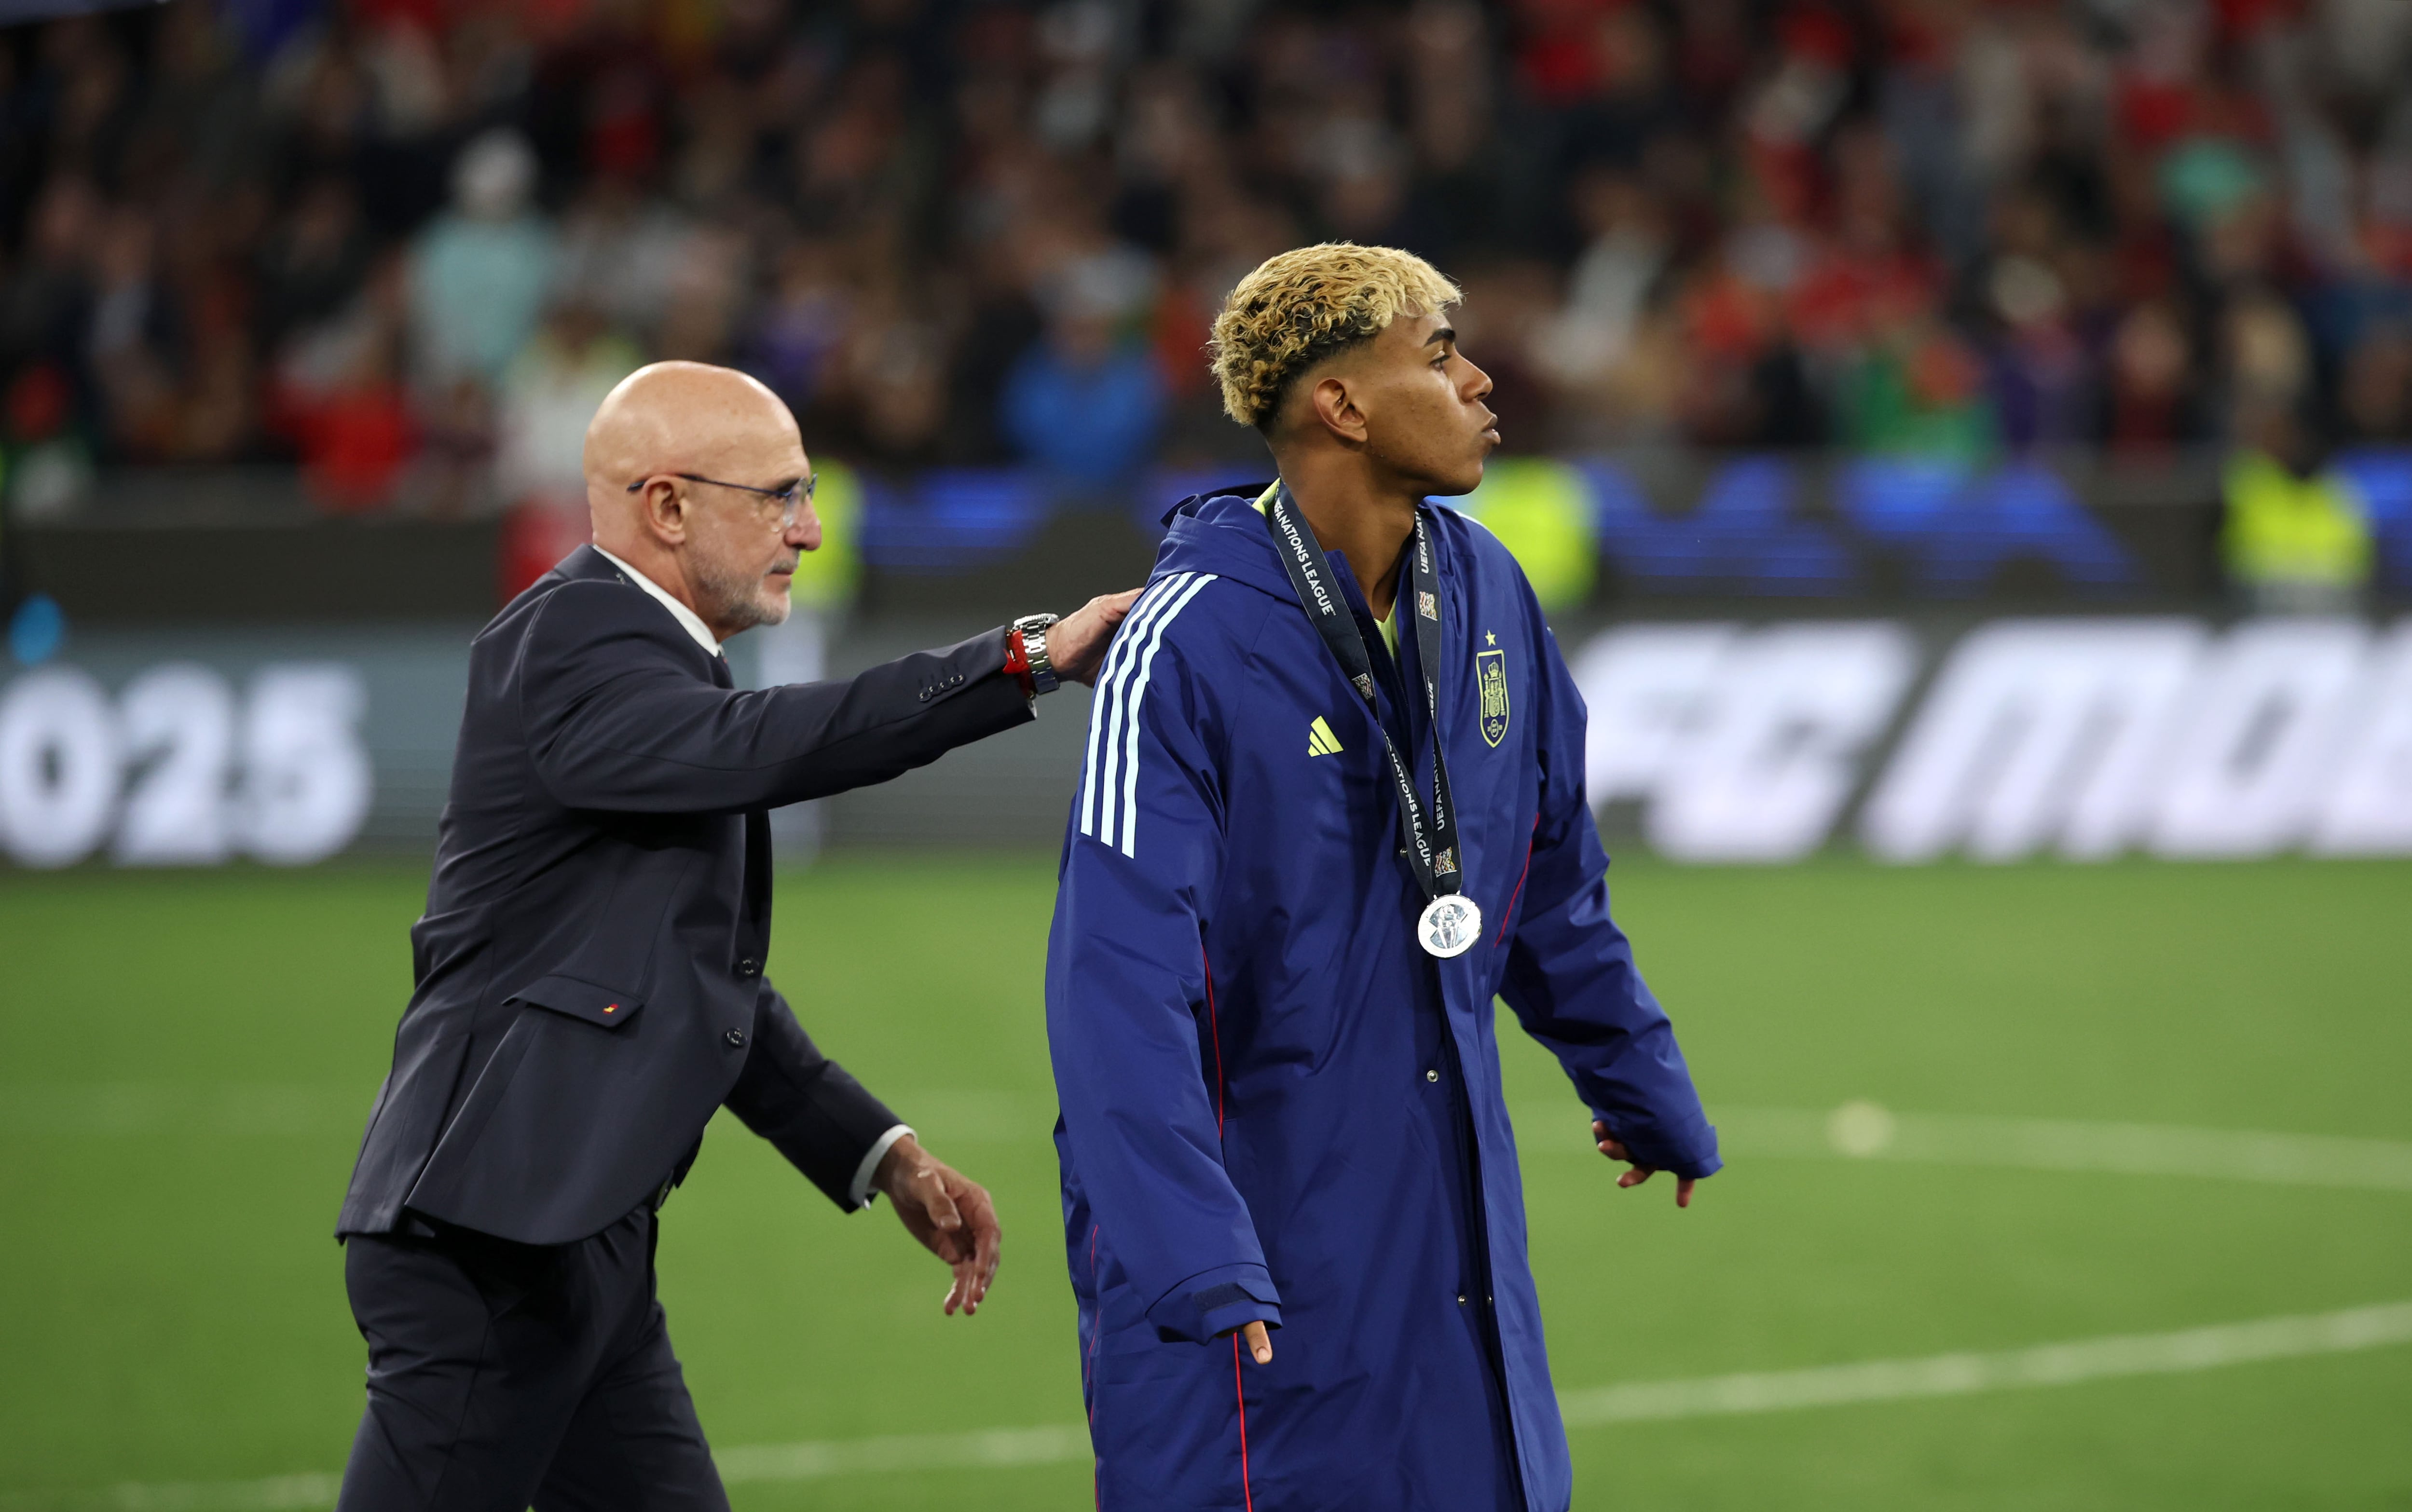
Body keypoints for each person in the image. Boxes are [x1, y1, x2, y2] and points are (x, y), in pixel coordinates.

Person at [333, 360, 1136, 1510]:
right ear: (666, 506)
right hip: (491, 1240)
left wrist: (879, 1151)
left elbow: (692, 985)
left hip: (572, 1237)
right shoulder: (573, 641)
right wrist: (1018, 658)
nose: (809, 531)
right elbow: (774, 741)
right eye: (780, 495)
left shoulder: (647, 662)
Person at [1043, 244, 1720, 1512]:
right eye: (1439, 354)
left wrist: (1642, 1085)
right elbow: (1116, 987)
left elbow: (1551, 883)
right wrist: (1195, 1256)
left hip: (1452, 1248)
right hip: (1257, 1277)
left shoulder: (1491, 594)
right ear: (1340, 407)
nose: (1479, 381)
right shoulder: (1186, 646)